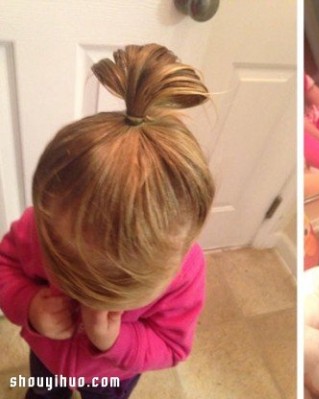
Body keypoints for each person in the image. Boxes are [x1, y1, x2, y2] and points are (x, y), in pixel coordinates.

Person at [0, 43, 214, 399]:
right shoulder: (41, 226)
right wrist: (30, 306)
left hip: (112, 373)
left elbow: (172, 346)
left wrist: (115, 341)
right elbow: (3, 266)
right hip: (46, 358)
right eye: (68, 274)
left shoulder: (184, 271)